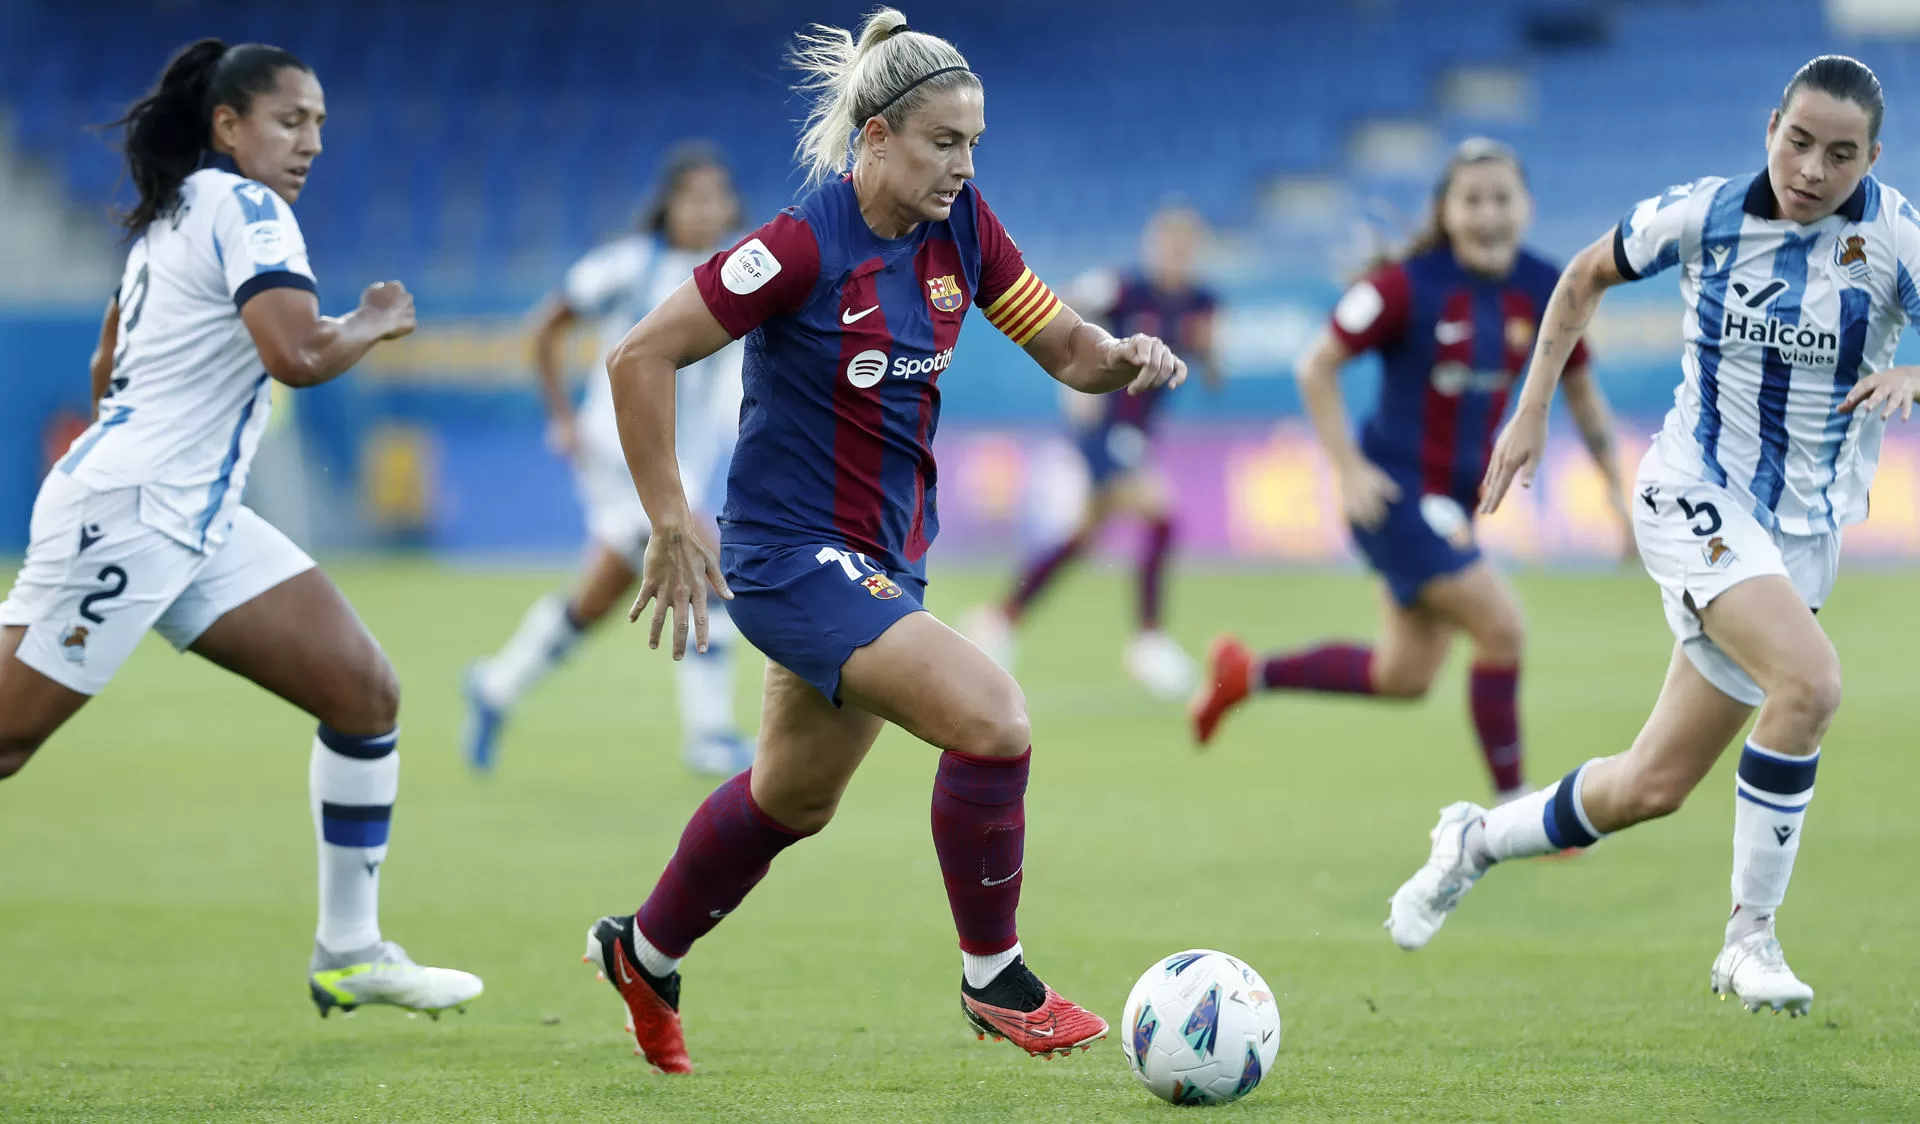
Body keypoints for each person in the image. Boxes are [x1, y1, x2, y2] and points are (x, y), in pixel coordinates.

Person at [576, 8, 1185, 1073]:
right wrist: (671, 517)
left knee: (792, 797)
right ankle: (994, 974)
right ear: (876, 138)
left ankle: (644, 948)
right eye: (944, 142)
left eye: (974, 144)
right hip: (787, 556)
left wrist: (1123, 355)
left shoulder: (965, 230)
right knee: (994, 717)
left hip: (884, 561)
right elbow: (638, 354)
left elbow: (1067, 350)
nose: (963, 164)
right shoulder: (800, 243)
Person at [1386, 57, 1920, 1017]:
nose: (1811, 169)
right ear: (1771, 127)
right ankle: (1748, 941)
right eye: (1799, 142)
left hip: (1799, 542)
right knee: (1811, 684)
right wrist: (1533, 406)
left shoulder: (1892, 238)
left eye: (1840, 155)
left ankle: (1473, 839)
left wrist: (1914, 378)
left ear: (1872, 158)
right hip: (1692, 494)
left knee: (1651, 785)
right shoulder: (1704, 213)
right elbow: (1587, 273)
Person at [0, 40, 481, 1017]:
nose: (308, 143)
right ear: (228, 125)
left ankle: (350, 949)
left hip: (190, 514)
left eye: (318, 126)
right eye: (288, 120)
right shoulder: (248, 208)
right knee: (6, 737)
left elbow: (106, 366)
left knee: (362, 689)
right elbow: (299, 352)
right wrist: (375, 318)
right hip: (139, 511)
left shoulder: (174, 218)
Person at [1189, 139, 1631, 806]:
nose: (1487, 215)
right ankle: (1516, 810)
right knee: (1503, 627)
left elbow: (1582, 392)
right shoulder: (1407, 284)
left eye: (1501, 199)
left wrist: (1617, 492)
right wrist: (1347, 469)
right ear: (1446, 212)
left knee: (1405, 675)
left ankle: (1245, 674)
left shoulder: (1548, 288)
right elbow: (1316, 365)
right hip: (1394, 495)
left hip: (1453, 502)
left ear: (1527, 207)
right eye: (1471, 200)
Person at [463, 142, 751, 776]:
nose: (706, 210)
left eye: (716, 198)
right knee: (710, 564)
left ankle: (494, 687)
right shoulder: (627, 266)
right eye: (692, 197)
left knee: (596, 598)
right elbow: (546, 325)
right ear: (667, 203)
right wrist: (562, 418)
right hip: (621, 447)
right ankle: (710, 736)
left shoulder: (744, 266)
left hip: (689, 457)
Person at [963, 205, 1222, 699]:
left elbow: (1212, 372)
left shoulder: (1201, 303)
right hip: (1105, 428)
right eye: (1169, 247)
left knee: (1083, 537)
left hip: (1140, 434)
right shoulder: (1126, 288)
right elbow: (1064, 309)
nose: (1176, 258)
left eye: (1186, 251)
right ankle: (1149, 643)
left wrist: (1211, 354)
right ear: (1153, 247)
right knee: (1161, 515)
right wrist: (1075, 384)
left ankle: (1000, 619)